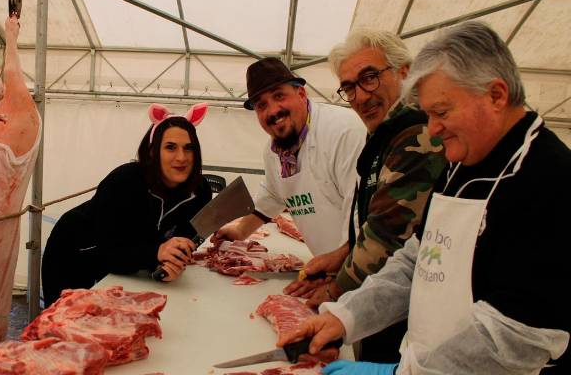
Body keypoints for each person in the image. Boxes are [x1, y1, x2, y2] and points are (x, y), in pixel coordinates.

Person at [279, 21, 570, 374]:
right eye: (428, 113)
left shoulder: (549, 179)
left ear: (496, 95)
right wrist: (346, 317)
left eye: (441, 113)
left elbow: (514, 338)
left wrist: (404, 374)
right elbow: (418, 260)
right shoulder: (462, 161)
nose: (431, 129)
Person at [288, 30, 446, 363]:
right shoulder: (385, 137)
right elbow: (383, 219)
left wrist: (332, 293)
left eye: (370, 78)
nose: (360, 96)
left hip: (406, 316)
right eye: (349, 87)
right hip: (385, 302)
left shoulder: (416, 135)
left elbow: (388, 236)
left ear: (405, 71)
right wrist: (343, 253)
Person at [41, 103, 212, 307]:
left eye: (189, 148)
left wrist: (171, 262)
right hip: (75, 252)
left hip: (124, 261)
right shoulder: (124, 181)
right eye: (170, 147)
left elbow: (184, 238)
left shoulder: (200, 190)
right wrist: (155, 253)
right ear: (152, 152)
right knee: (67, 324)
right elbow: (108, 250)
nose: (181, 157)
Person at [214, 57, 365, 280]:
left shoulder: (343, 132)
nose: (273, 110)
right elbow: (273, 195)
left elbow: (363, 215)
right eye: (261, 105)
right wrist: (241, 230)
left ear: (301, 94)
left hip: (360, 271)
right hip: (327, 270)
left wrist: (340, 279)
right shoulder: (273, 151)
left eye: (279, 96)